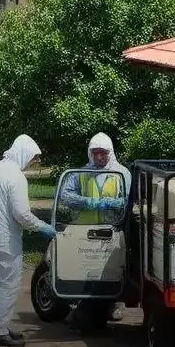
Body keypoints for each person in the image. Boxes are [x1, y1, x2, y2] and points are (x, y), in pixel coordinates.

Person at [0, 134, 57, 347]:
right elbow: (21, 214)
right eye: (32, 158)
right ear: (24, 154)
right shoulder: (16, 177)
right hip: (5, 238)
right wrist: (42, 227)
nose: (32, 163)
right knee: (8, 284)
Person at [59, 133, 132, 323]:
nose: (99, 157)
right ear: (90, 153)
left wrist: (112, 203)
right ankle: (78, 307)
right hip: (85, 231)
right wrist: (89, 202)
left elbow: (130, 201)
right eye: (96, 153)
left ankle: (113, 305)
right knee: (84, 270)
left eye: (103, 153)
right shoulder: (80, 173)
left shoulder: (122, 173)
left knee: (112, 271)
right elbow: (66, 196)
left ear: (111, 153)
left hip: (112, 231)